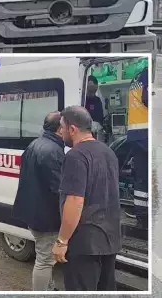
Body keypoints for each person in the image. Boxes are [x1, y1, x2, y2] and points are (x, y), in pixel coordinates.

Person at [53, 106, 121, 291]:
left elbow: (75, 201)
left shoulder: (75, 156)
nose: (60, 131)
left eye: (62, 127)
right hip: (109, 240)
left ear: (72, 129)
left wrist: (62, 241)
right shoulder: (109, 152)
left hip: (84, 243)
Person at [13, 111, 65, 291]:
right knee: (44, 261)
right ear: (60, 129)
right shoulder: (53, 150)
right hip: (46, 217)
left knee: (43, 255)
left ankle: (48, 287)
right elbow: (58, 190)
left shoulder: (35, 144)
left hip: (34, 213)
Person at [126, 65, 149, 229]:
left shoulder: (137, 77)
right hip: (147, 132)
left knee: (142, 177)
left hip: (136, 134)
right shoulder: (150, 75)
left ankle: (142, 216)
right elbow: (149, 99)